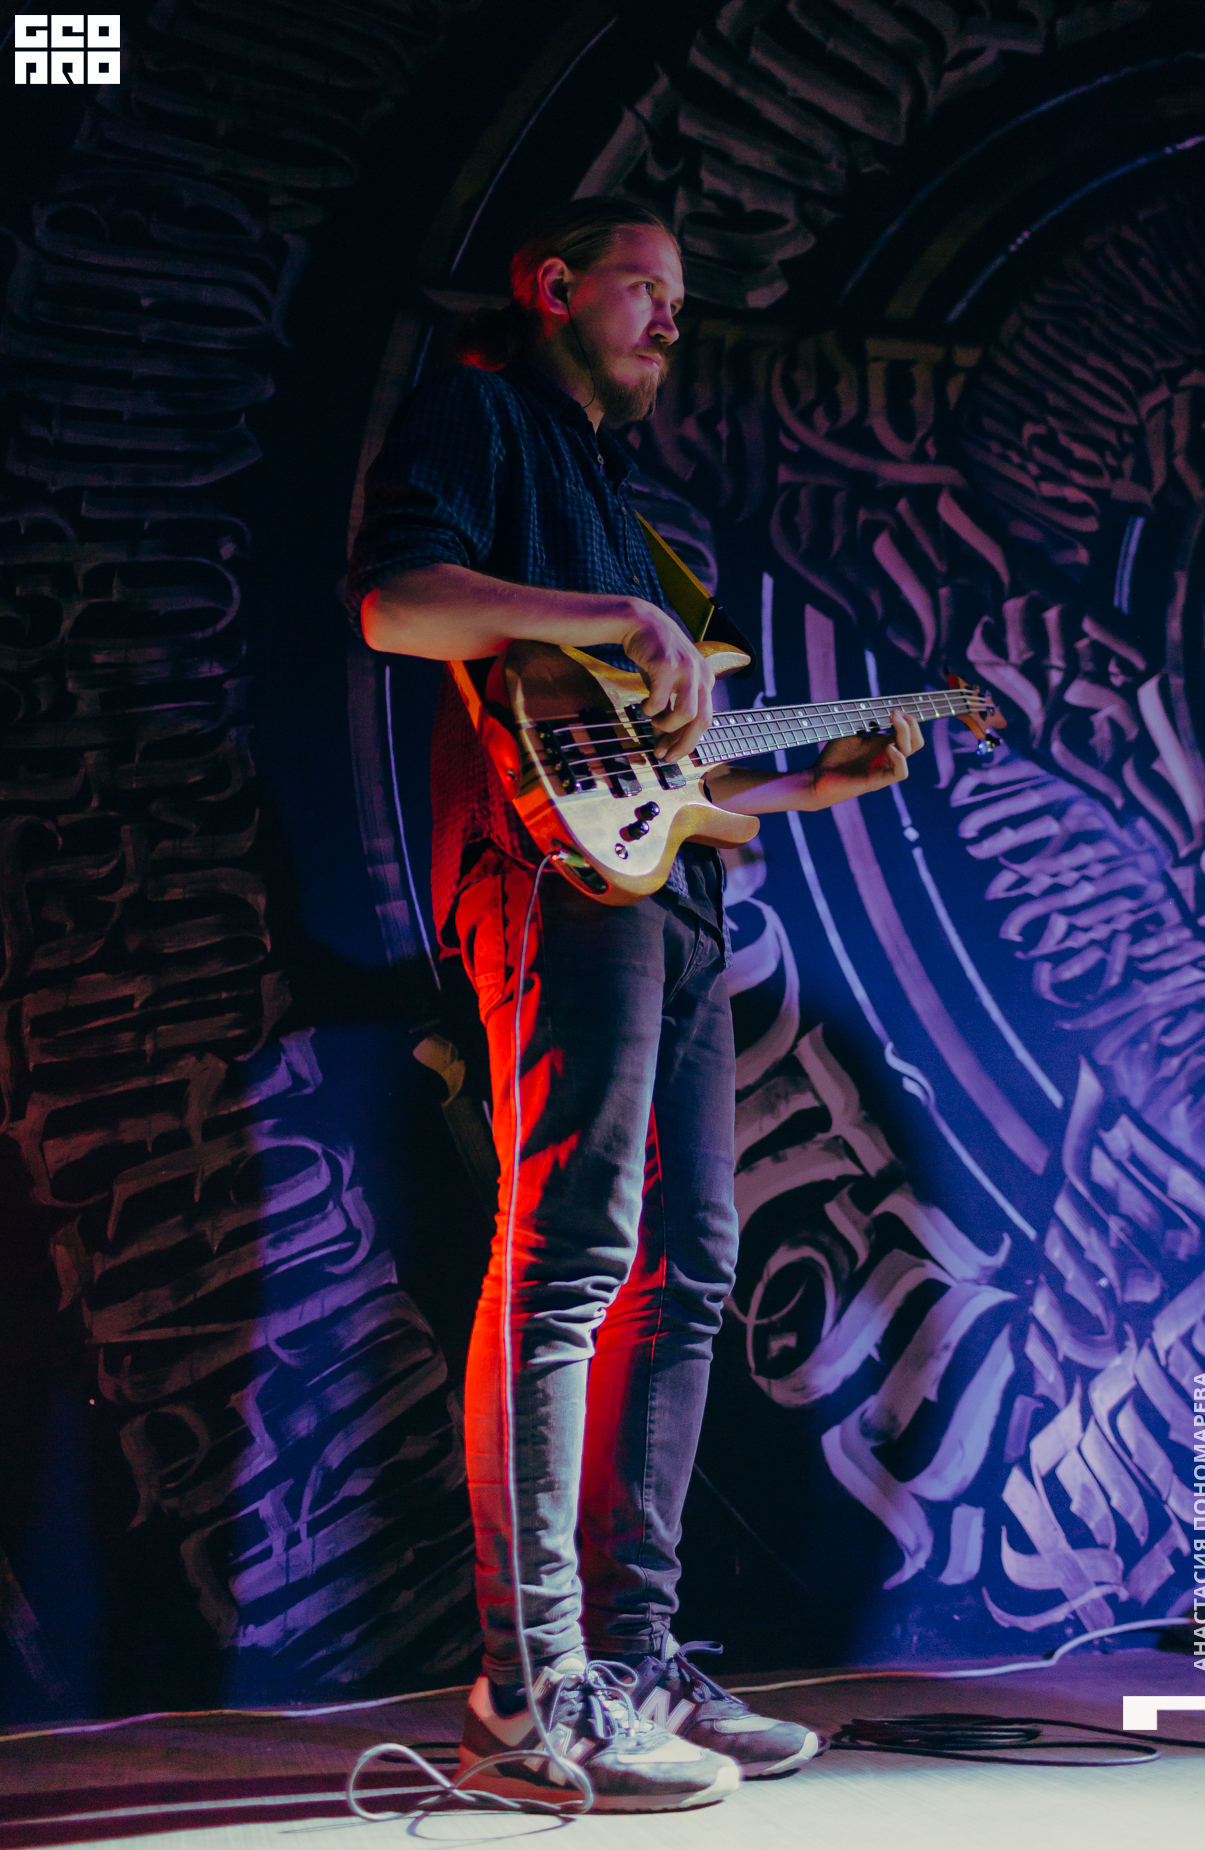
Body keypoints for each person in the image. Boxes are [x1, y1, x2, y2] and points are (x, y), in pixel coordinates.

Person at [348, 199, 923, 1812]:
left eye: (678, 297)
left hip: (663, 898)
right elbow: (395, 604)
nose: (673, 320)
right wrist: (607, 614)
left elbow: (666, 784)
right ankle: (529, 1687)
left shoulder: (622, 501)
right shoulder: (481, 414)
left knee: (689, 1270)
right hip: (540, 882)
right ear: (553, 287)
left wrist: (807, 783)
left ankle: (634, 1656)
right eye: (645, 288)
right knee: (566, 1255)